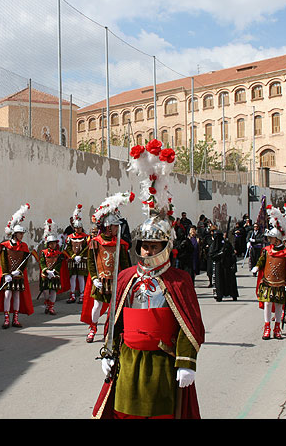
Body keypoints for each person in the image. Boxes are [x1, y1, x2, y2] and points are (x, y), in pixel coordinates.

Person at [92, 142, 205, 419]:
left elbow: (188, 326)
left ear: (165, 246)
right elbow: (114, 322)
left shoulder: (178, 281)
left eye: (154, 246)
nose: (147, 251)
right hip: (128, 360)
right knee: (124, 414)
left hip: (163, 362)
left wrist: (186, 362)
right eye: (144, 245)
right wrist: (108, 352)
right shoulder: (127, 277)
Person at [80, 192, 133, 343]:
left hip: (115, 280)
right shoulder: (95, 242)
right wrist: (95, 278)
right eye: (116, 226)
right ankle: (93, 327)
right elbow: (91, 262)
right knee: (97, 306)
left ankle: (112, 330)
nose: (118, 229)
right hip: (101, 280)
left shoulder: (121, 244)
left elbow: (125, 264)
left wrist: (127, 280)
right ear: (108, 227)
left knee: (115, 308)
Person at [252, 205, 286, 340]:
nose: (269, 240)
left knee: (278, 305)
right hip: (268, 282)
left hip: (280, 283)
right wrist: (257, 267)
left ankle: (277, 328)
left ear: (277, 239)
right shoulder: (266, 250)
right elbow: (261, 261)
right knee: (267, 303)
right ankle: (267, 327)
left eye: (271, 238)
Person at [0, 204, 34, 329]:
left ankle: (15, 319)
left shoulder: (24, 246)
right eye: (19, 233)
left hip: (17, 275)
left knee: (16, 295)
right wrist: (6, 274)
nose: (21, 235)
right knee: (7, 295)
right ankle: (6, 319)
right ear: (14, 234)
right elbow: (3, 261)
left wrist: (19, 271)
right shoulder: (5, 246)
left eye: (22, 234)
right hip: (8, 276)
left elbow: (24, 261)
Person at [38, 219, 70, 315]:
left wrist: (54, 271)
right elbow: (42, 262)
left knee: (53, 291)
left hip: (55, 275)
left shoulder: (59, 254)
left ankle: (51, 307)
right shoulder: (43, 253)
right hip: (45, 274)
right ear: (48, 244)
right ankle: (47, 302)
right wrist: (46, 271)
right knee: (45, 291)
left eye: (54, 243)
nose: (53, 245)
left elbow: (60, 264)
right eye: (51, 243)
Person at [64, 204, 90, 304]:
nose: (77, 230)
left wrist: (80, 256)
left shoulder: (85, 237)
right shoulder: (70, 237)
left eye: (79, 228)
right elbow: (68, 248)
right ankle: (72, 294)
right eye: (76, 228)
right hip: (72, 259)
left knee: (81, 277)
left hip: (82, 259)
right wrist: (74, 256)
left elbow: (86, 247)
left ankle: (82, 295)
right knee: (73, 276)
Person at [208, 230, 238, 301]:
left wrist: (233, 263)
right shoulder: (213, 245)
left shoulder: (227, 244)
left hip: (227, 265)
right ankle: (219, 295)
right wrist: (220, 253)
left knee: (230, 280)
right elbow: (211, 255)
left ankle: (233, 294)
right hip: (218, 265)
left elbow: (232, 254)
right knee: (219, 281)